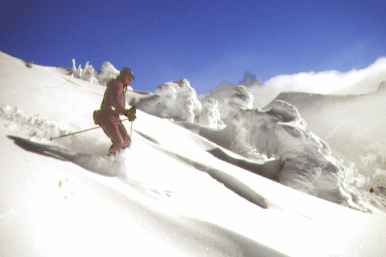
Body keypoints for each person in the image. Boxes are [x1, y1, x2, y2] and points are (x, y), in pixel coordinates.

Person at [93, 67, 136, 155]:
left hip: (115, 118)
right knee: (119, 142)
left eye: (131, 78)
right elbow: (115, 102)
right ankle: (108, 161)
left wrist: (128, 113)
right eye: (128, 77)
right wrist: (127, 113)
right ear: (123, 75)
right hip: (107, 117)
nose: (130, 80)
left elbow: (118, 106)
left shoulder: (121, 88)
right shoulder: (117, 84)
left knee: (127, 141)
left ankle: (115, 158)